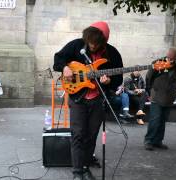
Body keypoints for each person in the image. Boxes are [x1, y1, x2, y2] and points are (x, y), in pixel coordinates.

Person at [53, 21, 123, 180]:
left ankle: (85, 167)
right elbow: (58, 58)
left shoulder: (112, 53)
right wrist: (64, 67)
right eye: (89, 43)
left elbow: (118, 79)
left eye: (95, 44)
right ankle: (77, 172)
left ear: (103, 41)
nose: (91, 46)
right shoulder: (77, 45)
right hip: (78, 98)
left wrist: (109, 82)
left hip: (98, 100)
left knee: (91, 136)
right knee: (78, 134)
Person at [144, 48, 176, 151]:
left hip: (169, 97)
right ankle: (148, 141)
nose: (170, 59)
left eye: (172, 57)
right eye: (169, 56)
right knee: (155, 119)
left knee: (162, 120)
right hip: (157, 95)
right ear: (167, 54)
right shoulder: (157, 63)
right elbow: (149, 76)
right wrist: (149, 90)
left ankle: (158, 141)